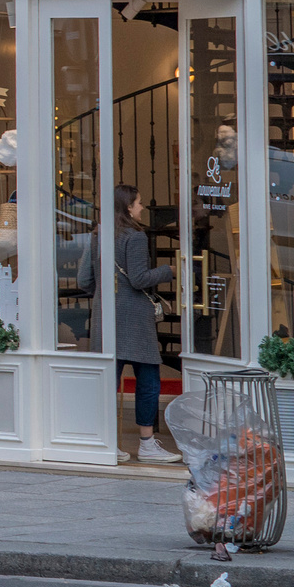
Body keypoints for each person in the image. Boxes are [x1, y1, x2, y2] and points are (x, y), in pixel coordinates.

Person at [115, 184, 180, 464]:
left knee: (107, 381)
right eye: (139, 203)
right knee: (149, 381)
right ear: (128, 207)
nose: (142, 208)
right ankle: (146, 443)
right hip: (135, 318)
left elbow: (84, 280)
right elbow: (140, 279)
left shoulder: (98, 235)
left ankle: (105, 441)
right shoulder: (136, 237)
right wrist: (170, 270)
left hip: (108, 315)